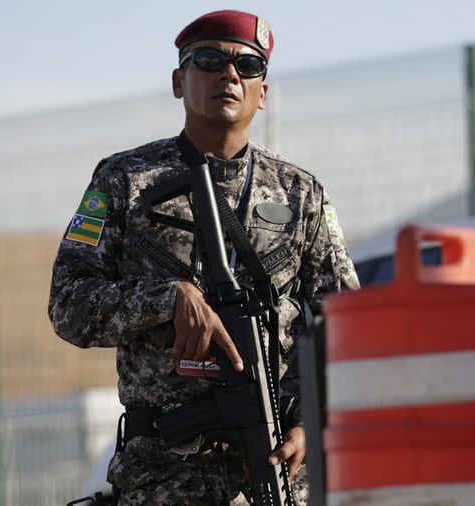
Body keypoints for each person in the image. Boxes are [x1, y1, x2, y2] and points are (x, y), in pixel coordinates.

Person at [48, 9, 359, 505]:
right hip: (165, 479)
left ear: (264, 91)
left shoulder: (301, 193)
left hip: (279, 473)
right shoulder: (125, 181)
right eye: (210, 60)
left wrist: (311, 422)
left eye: (249, 66)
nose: (230, 74)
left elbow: (345, 325)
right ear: (179, 81)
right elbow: (68, 306)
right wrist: (166, 298)